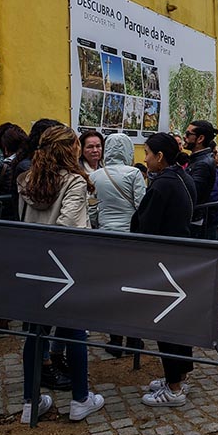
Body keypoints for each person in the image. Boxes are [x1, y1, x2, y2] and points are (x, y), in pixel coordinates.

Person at [17, 125, 104, 423]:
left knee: (35, 331)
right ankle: (80, 398)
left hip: (34, 262)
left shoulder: (28, 180)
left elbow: (24, 220)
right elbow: (67, 225)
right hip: (67, 263)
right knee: (74, 329)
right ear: (70, 149)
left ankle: (30, 402)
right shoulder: (74, 183)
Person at [131, 132, 197, 407]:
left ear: (159, 157)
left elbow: (146, 225)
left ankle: (174, 387)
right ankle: (179, 374)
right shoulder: (182, 177)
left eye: (147, 153)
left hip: (163, 261)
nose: (144, 158)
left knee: (165, 323)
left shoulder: (162, 185)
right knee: (177, 321)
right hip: (177, 258)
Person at [89, 133, 147, 356]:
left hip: (106, 237)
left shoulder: (95, 175)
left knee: (112, 287)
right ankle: (134, 339)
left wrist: (100, 225)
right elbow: (141, 205)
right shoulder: (133, 173)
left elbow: (92, 208)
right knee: (132, 288)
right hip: (130, 238)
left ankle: (114, 340)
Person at [183, 120, 218, 238]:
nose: (185, 137)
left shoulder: (202, 163)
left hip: (196, 221)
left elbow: (193, 193)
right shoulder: (199, 159)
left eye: (188, 134)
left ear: (200, 139)